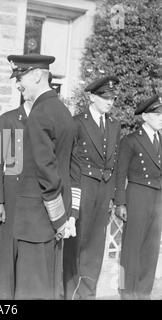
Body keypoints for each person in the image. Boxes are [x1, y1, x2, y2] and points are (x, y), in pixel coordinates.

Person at [8, 53, 79, 299]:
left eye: (21, 77)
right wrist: (65, 218)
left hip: (37, 221)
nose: (18, 84)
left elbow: (47, 172)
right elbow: (70, 167)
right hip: (53, 219)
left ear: (38, 75)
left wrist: (58, 219)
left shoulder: (39, 114)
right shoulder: (62, 111)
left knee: (32, 289)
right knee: (48, 287)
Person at [63, 76, 121, 300]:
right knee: (75, 244)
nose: (110, 102)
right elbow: (68, 160)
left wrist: (113, 195)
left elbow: (113, 162)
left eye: (113, 98)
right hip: (82, 187)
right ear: (93, 97)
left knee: (95, 248)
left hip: (103, 191)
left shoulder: (114, 125)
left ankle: (87, 295)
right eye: (105, 97)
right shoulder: (78, 122)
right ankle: (69, 293)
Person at [115, 94, 162, 300]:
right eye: (157, 113)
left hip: (157, 198)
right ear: (145, 116)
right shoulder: (131, 140)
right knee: (130, 249)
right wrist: (120, 202)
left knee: (151, 249)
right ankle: (126, 292)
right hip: (137, 195)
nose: (161, 117)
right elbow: (120, 174)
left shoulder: (161, 140)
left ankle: (144, 293)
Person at [0, 101, 27, 299]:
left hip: (37, 199)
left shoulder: (47, 120)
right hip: (11, 197)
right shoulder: (8, 120)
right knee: (8, 255)